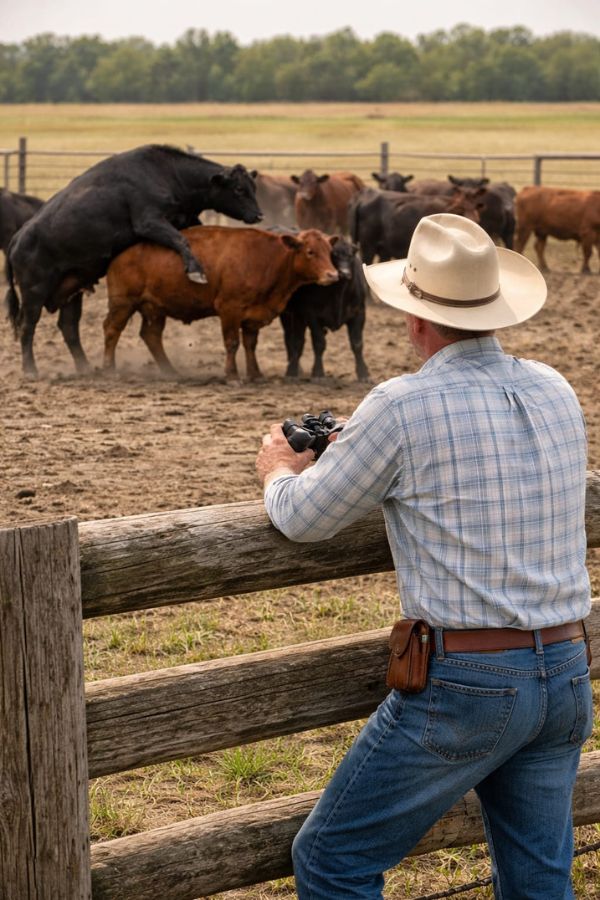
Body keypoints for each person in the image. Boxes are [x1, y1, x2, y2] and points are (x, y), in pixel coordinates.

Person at [255, 213, 593, 900]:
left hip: (467, 679)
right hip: (564, 668)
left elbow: (305, 516)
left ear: (414, 319)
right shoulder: (556, 388)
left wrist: (276, 469)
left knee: (331, 858)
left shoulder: (403, 405)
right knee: (538, 882)